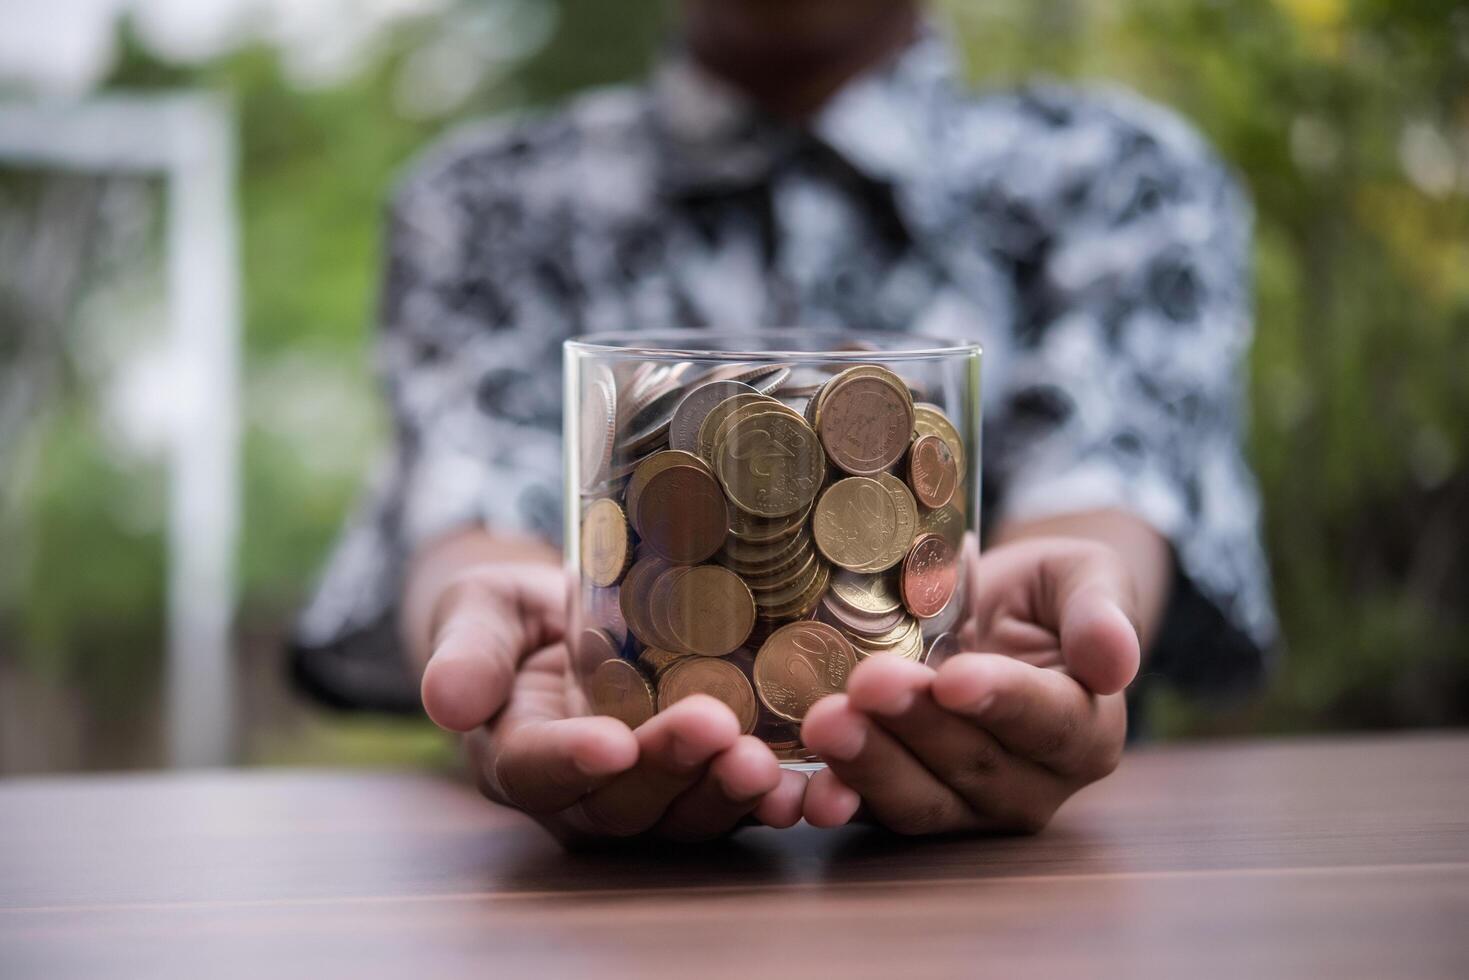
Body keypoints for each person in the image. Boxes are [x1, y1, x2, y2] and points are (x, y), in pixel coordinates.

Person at [293, 0, 1276, 842]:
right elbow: (474, 484)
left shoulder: (1119, 177)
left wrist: (1071, 608)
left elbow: (1099, 483)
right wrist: (480, 600)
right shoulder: (480, 204)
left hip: (1008, 889)